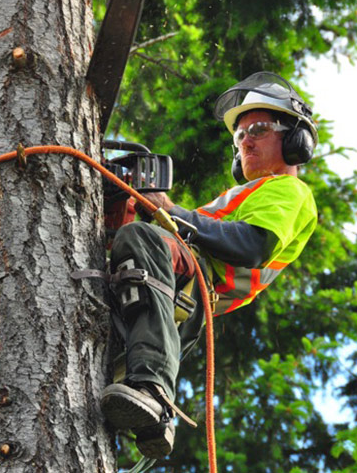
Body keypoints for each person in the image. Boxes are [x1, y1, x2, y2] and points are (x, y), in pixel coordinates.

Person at [99, 71, 319, 459]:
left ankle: (153, 393)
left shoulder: (290, 191)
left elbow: (249, 244)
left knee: (142, 238)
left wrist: (168, 212)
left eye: (260, 128)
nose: (245, 140)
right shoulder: (240, 195)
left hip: (191, 291)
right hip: (163, 291)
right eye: (240, 135)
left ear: (295, 141)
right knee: (132, 237)